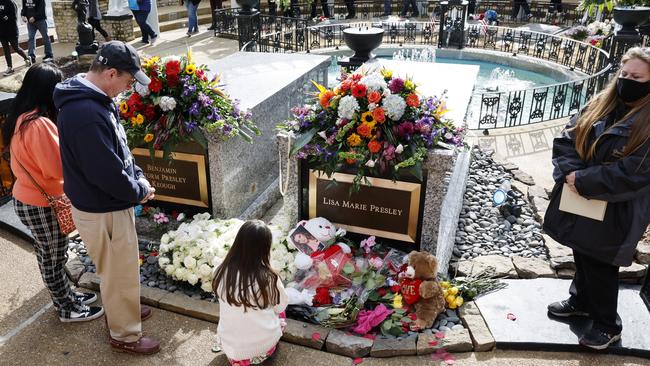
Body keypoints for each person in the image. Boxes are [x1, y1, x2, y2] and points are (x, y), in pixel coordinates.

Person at [53, 41, 159, 355]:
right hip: (104, 208)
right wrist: (140, 190)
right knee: (118, 272)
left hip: (102, 204)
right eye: (128, 81)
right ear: (110, 73)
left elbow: (118, 152)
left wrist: (137, 175)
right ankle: (124, 334)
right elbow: (108, 174)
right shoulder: (86, 112)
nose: (128, 88)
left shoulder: (93, 99)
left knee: (118, 269)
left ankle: (121, 308)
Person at [544, 47, 650, 350]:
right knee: (581, 248)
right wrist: (571, 174)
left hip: (619, 205)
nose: (627, 81)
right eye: (625, 74)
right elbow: (567, 138)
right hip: (582, 192)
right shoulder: (601, 103)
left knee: (601, 261)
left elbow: (635, 173)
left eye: (637, 77)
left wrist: (585, 180)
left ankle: (607, 324)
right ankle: (580, 300)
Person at [3, 63, 104, 322]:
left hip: (29, 199)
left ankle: (67, 297)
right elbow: (56, 169)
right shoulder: (38, 124)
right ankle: (65, 307)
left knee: (50, 252)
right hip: (40, 203)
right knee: (53, 255)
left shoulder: (22, 117)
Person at [212, 220, 288, 365]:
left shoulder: (219, 270)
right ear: (265, 248)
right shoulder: (268, 277)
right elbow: (281, 306)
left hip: (230, 346)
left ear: (238, 242)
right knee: (281, 311)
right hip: (262, 347)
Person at [0, 0, 30, 75]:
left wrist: (4, 17)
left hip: (11, 31)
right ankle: (10, 67)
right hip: (1, 32)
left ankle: (26, 58)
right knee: (6, 50)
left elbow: (13, 16)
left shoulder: (11, 3)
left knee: (15, 47)